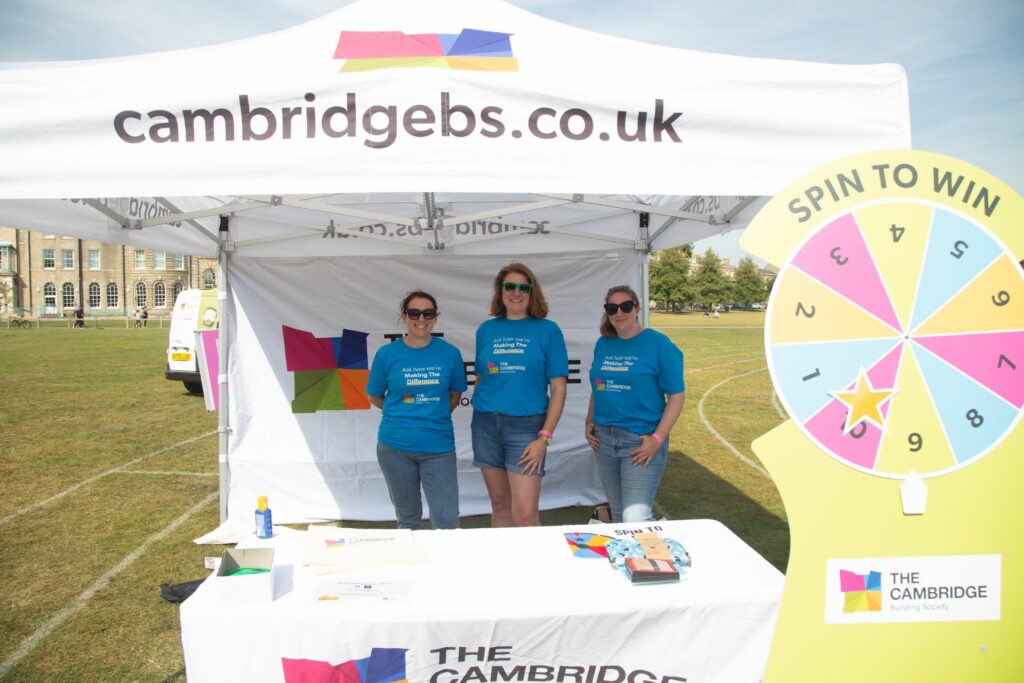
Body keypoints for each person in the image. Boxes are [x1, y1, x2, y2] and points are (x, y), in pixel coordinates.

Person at [472, 263, 568, 527]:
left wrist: (544, 438)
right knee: (500, 504)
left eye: (523, 287)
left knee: (525, 514)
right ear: (500, 291)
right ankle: (503, 566)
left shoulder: (548, 330)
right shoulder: (486, 330)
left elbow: (559, 388)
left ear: (532, 292)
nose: (516, 292)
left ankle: (532, 568)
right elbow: (481, 376)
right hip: (486, 425)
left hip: (526, 428)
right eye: (510, 286)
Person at [366, 291, 467, 530]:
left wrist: (433, 414)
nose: (421, 318)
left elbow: (455, 394)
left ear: (435, 318)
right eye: (414, 313)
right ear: (404, 317)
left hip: (438, 448)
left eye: (427, 313)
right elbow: (374, 395)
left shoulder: (450, 353)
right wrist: (400, 412)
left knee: (447, 522)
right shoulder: (386, 355)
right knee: (408, 521)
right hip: (394, 448)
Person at [585, 285, 685, 523]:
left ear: (637, 308)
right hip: (604, 440)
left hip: (640, 441)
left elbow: (677, 396)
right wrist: (589, 421)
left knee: (635, 519)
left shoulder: (659, 344)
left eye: (626, 306)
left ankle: (656, 551)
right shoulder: (604, 343)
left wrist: (657, 440)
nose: (619, 312)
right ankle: (628, 560)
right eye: (612, 308)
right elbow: (599, 385)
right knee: (619, 515)